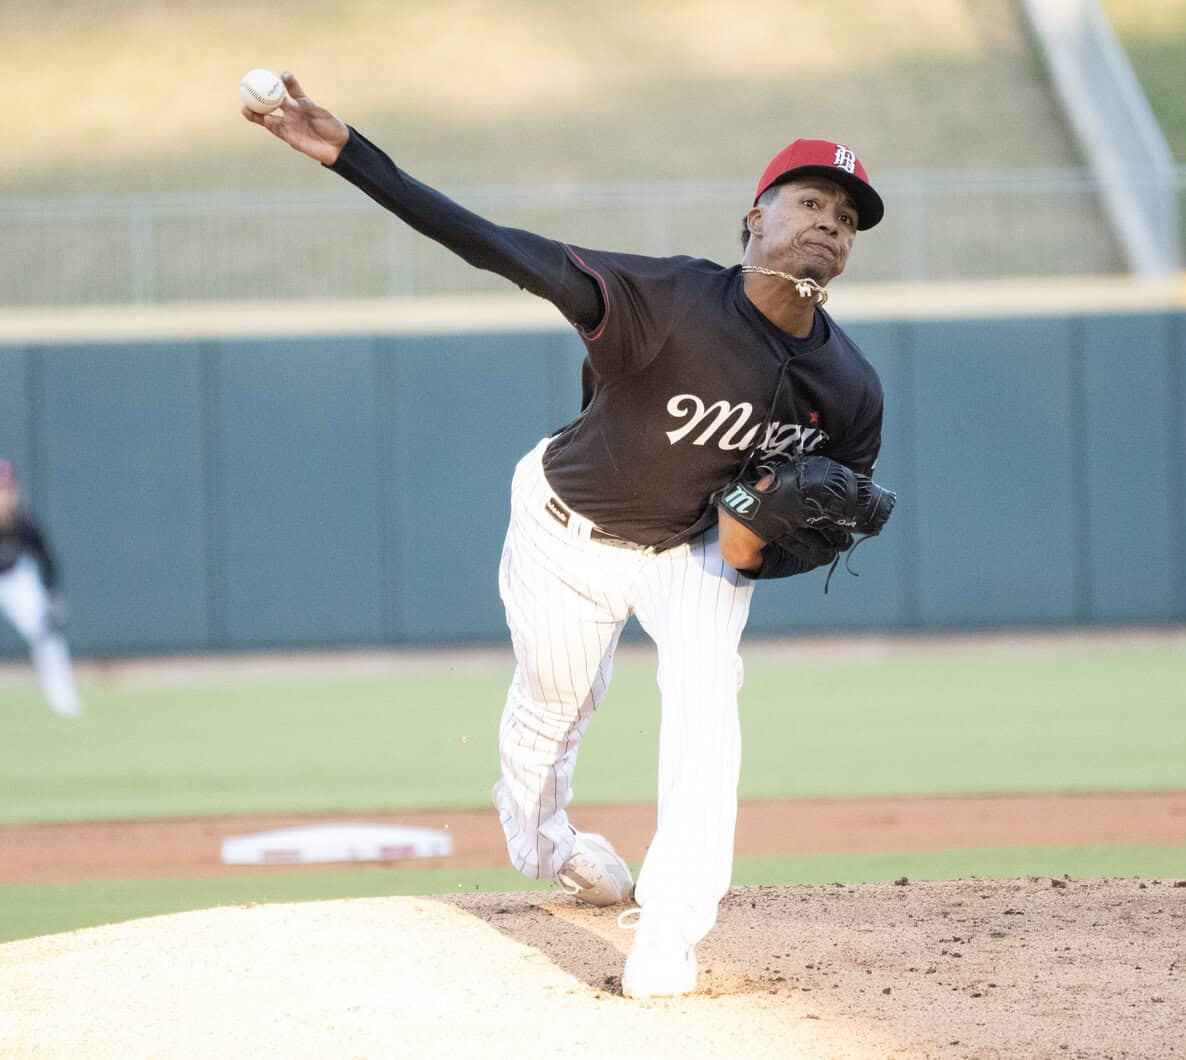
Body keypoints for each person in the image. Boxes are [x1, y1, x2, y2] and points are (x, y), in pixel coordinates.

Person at [244, 74, 886, 998]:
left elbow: (841, 513)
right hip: (564, 529)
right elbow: (493, 246)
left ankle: (668, 935)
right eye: (812, 201)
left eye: (848, 218)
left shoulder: (852, 386)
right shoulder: (660, 298)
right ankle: (556, 848)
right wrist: (351, 154)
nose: (830, 221)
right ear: (754, 218)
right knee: (551, 711)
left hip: (694, 550)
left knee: (708, 704)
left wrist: (761, 554)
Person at [0, 458, 83, 718]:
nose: (3, 496)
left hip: (15, 580)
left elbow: (47, 558)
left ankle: (63, 698)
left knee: (47, 632)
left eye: (6, 489)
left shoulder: (24, 522)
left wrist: (51, 596)